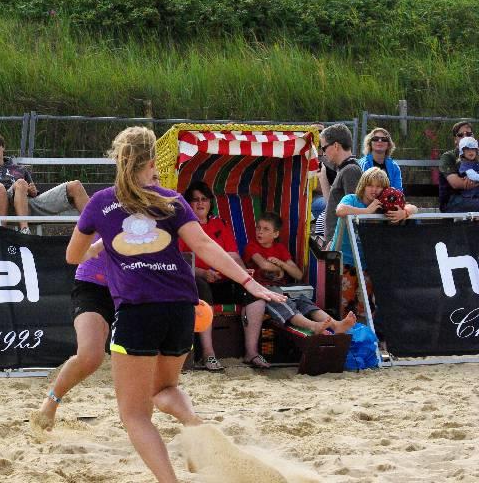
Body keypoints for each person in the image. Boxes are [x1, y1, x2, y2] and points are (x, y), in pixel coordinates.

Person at [65, 126, 284, 483]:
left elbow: (73, 256)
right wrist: (249, 282)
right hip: (183, 307)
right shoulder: (171, 200)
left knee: (135, 415)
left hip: (138, 310)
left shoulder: (101, 202)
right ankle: (196, 425)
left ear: (119, 161)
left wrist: (99, 245)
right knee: (164, 389)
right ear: (152, 163)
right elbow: (205, 247)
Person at [33, 171, 163, 431]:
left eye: (159, 179)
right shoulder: (109, 204)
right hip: (93, 284)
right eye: (153, 178)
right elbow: (90, 226)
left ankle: (137, 418)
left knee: (141, 359)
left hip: (129, 291)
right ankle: (51, 402)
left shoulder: (161, 215)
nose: (157, 183)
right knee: (90, 355)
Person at [177, 181, 269, 371]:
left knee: (253, 293)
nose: (200, 203)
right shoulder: (183, 227)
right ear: (188, 203)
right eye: (195, 200)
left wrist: (243, 273)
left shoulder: (220, 224)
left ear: (210, 202)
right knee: (201, 287)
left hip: (223, 280)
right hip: (197, 282)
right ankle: (208, 354)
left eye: (204, 199)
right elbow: (180, 262)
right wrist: (203, 273)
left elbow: (233, 255)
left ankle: (251, 353)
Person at [244, 212, 357, 334]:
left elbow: (298, 275)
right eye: (258, 228)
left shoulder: (280, 249)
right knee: (283, 303)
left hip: (284, 289)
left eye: (266, 229)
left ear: (276, 234)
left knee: (304, 301)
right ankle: (313, 326)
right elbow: (264, 265)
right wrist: (279, 269)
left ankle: (336, 325)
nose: (260, 232)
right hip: (262, 290)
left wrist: (282, 264)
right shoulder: (252, 246)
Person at [333, 167, 418, 319]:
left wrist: (404, 212)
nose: (374, 190)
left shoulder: (385, 205)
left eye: (379, 186)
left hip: (367, 264)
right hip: (345, 262)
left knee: (366, 308)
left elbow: (414, 208)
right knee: (343, 306)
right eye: (370, 185)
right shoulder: (352, 199)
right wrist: (367, 212)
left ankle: (365, 333)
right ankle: (344, 333)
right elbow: (340, 210)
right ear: (363, 185)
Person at [0, 131, 89, 234]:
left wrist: (32, 191)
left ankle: (96, 231)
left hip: (29, 204)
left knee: (75, 185)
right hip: (5, 206)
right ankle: (25, 230)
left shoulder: (20, 169)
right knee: (20, 183)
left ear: (3, 147)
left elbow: (34, 193)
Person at [321, 123, 363, 245]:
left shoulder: (350, 170)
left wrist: (334, 241)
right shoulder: (345, 169)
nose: (323, 153)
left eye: (324, 148)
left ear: (335, 146)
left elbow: (353, 211)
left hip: (341, 244)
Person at [440, 121, 479, 212]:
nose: (465, 137)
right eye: (460, 135)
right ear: (455, 140)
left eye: (469, 134)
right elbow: (456, 183)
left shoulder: (477, 156)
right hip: (453, 201)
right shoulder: (448, 156)